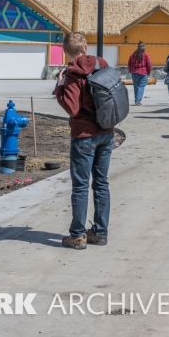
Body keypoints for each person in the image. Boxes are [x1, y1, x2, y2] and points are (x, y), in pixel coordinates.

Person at [53, 32, 115, 250]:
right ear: (86, 47)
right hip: (107, 132)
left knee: (80, 186)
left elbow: (72, 108)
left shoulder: (72, 73)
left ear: (65, 51)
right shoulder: (102, 63)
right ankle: (99, 232)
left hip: (84, 136)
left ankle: (78, 235)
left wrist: (60, 86)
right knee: (101, 183)